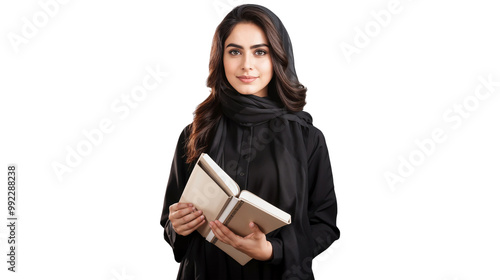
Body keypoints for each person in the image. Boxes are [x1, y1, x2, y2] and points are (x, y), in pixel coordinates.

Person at [160, 4, 340, 279]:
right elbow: (171, 224)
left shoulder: (307, 138)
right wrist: (178, 226)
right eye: (234, 51)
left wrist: (272, 250)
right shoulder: (196, 132)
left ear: (278, 57)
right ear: (220, 58)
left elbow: (325, 225)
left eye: (260, 51)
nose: (246, 64)